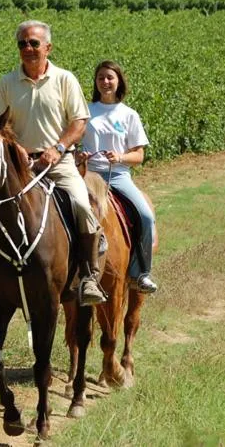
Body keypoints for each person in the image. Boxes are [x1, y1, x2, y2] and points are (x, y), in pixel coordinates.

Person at [0, 20, 107, 308]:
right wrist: (16, 149)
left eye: (34, 43)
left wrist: (57, 148)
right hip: (19, 164)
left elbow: (79, 122)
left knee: (81, 204)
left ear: (48, 47)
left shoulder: (65, 79)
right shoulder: (7, 82)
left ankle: (89, 276)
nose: (28, 49)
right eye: (22, 44)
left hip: (58, 161)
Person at [79, 61, 158, 294]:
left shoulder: (129, 114)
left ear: (119, 81)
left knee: (145, 216)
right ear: (95, 82)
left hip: (118, 175)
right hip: (88, 174)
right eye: (101, 78)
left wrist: (121, 156)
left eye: (110, 78)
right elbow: (73, 141)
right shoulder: (85, 111)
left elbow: (139, 155)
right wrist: (79, 154)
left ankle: (140, 273)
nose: (105, 82)